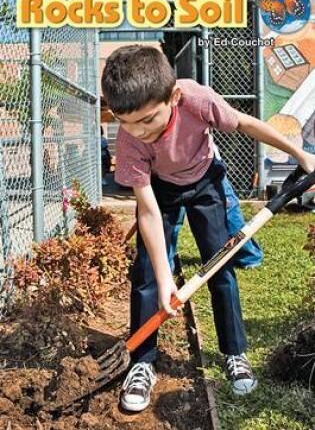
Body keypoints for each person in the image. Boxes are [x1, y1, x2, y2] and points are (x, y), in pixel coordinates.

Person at [101, 45, 315, 412]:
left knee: (221, 268)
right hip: (161, 189)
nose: (139, 131)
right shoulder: (130, 139)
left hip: (205, 181)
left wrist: (302, 156)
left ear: (174, 97)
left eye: (148, 120)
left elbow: (246, 124)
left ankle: (235, 353)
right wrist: (167, 278)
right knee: (148, 274)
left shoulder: (196, 100)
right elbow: (148, 212)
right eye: (126, 122)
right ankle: (142, 362)